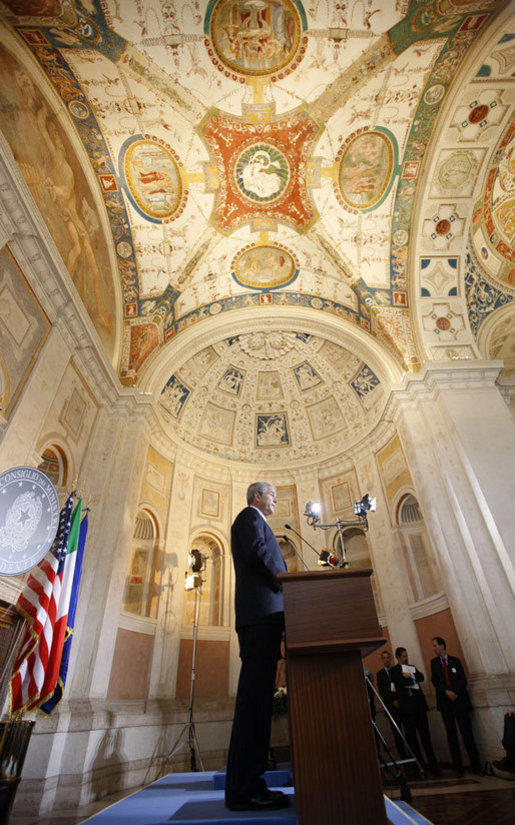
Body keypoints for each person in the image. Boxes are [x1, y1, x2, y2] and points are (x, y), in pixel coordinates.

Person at [225, 482, 289, 811]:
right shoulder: (249, 518)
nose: (276, 499)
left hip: (264, 618)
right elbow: (259, 555)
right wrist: (286, 579)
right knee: (254, 705)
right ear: (257, 497)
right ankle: (245, 788)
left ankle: (251, 783)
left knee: (259, 703)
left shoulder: (258, 521)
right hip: (260, 617)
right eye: (272, 494)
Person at [430, 636, 481, 776]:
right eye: (433, 646)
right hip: (445, 704)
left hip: (459, 702)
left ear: (442, 646)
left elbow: (462, 679)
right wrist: (447, 692)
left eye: (435, 645)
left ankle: (476, 765)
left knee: (467, 734)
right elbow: (435, 681)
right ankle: (458, 767)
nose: (433, 649)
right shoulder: (434, 663)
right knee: (451, 735)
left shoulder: (455, 661)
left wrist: (455, 693)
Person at [391, 647, 440, 775]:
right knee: (412, 739)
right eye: (404, 656)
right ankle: (419, 766)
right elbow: (400, 681)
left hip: (419, 707)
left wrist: (411, 676)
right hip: (407, 710)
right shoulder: (395, 670)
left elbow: (421, 677)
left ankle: (433, 766)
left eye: (406, 656)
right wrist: (411, 679)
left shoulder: (411, 667)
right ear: (398, 657)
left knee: (426, 738)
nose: (406, 658)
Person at [376, 649, 407, 760]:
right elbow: (383, 692)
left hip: (402, 706)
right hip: (391, 709)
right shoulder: (380, 674)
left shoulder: (395, 671)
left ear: (391, 658)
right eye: (384, 658)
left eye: (388, 657)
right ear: (382, 660)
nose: (386, 660)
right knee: (397, 736)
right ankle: (403, 758)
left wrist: (399, 700)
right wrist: (392, 702)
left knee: (408, 733)